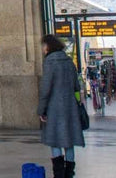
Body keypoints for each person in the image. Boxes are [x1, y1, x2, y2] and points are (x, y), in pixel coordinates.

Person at [38, 34, 84, 178]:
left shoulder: (49, 62)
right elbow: (77, 86)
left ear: (48, 46)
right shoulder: (69, 61)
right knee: (69, 142)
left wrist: (41, 109)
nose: (42, 48)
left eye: (43, 45)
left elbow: (46, 89)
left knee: (55, 141)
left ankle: (58, 174)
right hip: (70, 107)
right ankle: (69, 174)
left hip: (54, 108)